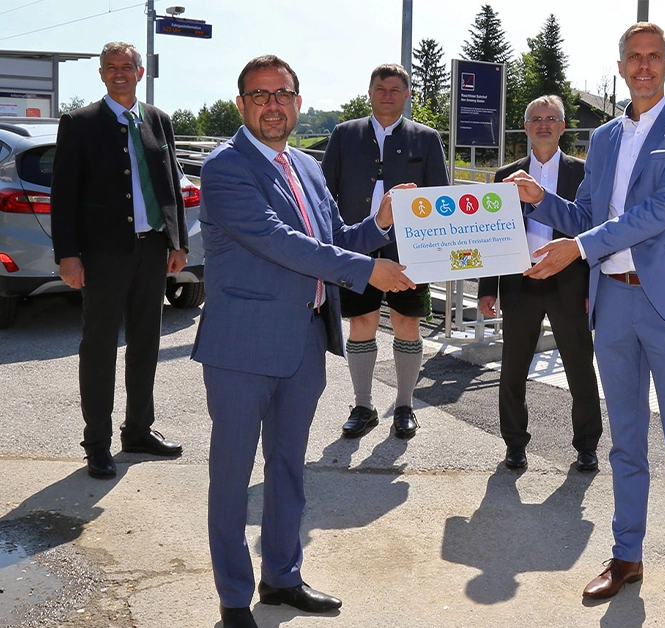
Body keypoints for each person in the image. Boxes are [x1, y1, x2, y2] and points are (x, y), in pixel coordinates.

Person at [504, 22, 665, 619]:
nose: (643, 67)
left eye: (654, 58)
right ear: (621, 66)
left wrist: (578, 246)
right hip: (613, 303)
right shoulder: (602, 140)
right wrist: (539, 200)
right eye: (634, 58)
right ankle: (627, 557)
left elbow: (660, 212)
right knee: (626, 441)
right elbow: (587, 214)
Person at [193, 55, 416, 628]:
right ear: (242, 105)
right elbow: (279, 241)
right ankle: (235, 597)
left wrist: (383, 223)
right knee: (233, 474)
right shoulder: (226, 168)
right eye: (260, 95)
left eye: (283, 94)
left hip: (303, 343)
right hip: (241, 350)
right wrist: (367, 272)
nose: (274, 105)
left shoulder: (309, 168)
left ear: (297, 100)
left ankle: (282, 577)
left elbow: (334, 236)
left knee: (289, 466)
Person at [51, 41, 188, 480]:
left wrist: (178, 241)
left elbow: (169, 185)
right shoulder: (80, 123)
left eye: (126, 66)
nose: (119, 73)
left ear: (140, 71)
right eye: (111, 67)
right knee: (99, 349)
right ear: (102, 74)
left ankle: (138, 431)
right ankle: (97, 444)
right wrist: (68, 255)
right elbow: (64, 194)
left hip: (151, 250)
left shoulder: (158, 121)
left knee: (146, 343)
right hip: (102, 255)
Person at [322, 63, 449, 440]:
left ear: (407, 94)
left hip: (408, 251)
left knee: (406, 324)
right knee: (361, 324)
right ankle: (363, 405)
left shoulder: (425, 138)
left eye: (395, 89)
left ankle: (405, 405)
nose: (387, 94)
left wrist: (436, 253)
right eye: (381, 88)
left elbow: (439, 196)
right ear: (370, 92)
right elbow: (326, 191)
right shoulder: (345, 134)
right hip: (356, 247)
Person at [477, 95, 602, 472]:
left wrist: (593, 291)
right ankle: (514, 444)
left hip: (570, 284)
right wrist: (487, 288)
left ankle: (586, 446)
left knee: (580, 369)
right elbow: (490, 235)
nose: (544, 124)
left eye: (551, 118)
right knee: (513, 369)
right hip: (520, 283)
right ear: (527, 127)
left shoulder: (584, 174)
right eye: (536, 119)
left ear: (563, 127)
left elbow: (596, 231)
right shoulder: (504, 176)